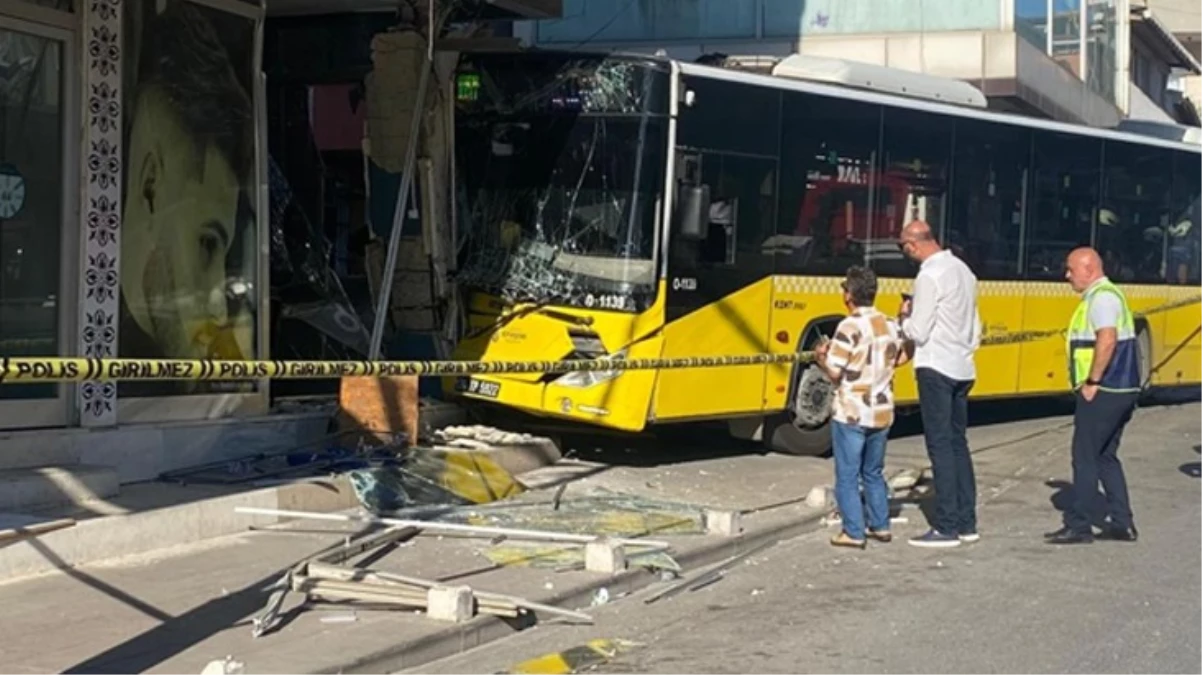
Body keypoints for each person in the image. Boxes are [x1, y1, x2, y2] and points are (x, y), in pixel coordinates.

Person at [1045, 247, 1141, 545]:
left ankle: (1079, 525)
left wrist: (1092, 380)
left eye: (1071, 270)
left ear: (1089, 269)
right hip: (1122, 389)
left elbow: (1107, 338)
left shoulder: (1101, 298)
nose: (1067, 276)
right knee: (1106, 457)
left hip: (1104, 389)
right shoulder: (1111, 295)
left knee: (1084, 457)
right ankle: (1122, 523)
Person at [896, 220, 983, 548]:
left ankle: (945, 525)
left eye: (904, 247)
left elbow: (918, 330)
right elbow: (977, 327)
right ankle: (967, 522)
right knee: (959, 444)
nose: (906, 254)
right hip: (963, 367)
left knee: (940, 446)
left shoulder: (928, 276)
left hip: (936, 366)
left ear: (913, 245)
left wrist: (904, 316)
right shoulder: (964, 271)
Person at [815, 266, 911, 549]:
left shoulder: (849, 326)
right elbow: (903, 355)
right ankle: (880, 525)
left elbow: (834, 371)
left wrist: (821, 357)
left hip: (852, 410)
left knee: (847, 475)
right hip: (882, 409)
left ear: (849, 295)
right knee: (873, 471)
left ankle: (853, 532)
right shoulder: (889, 324)